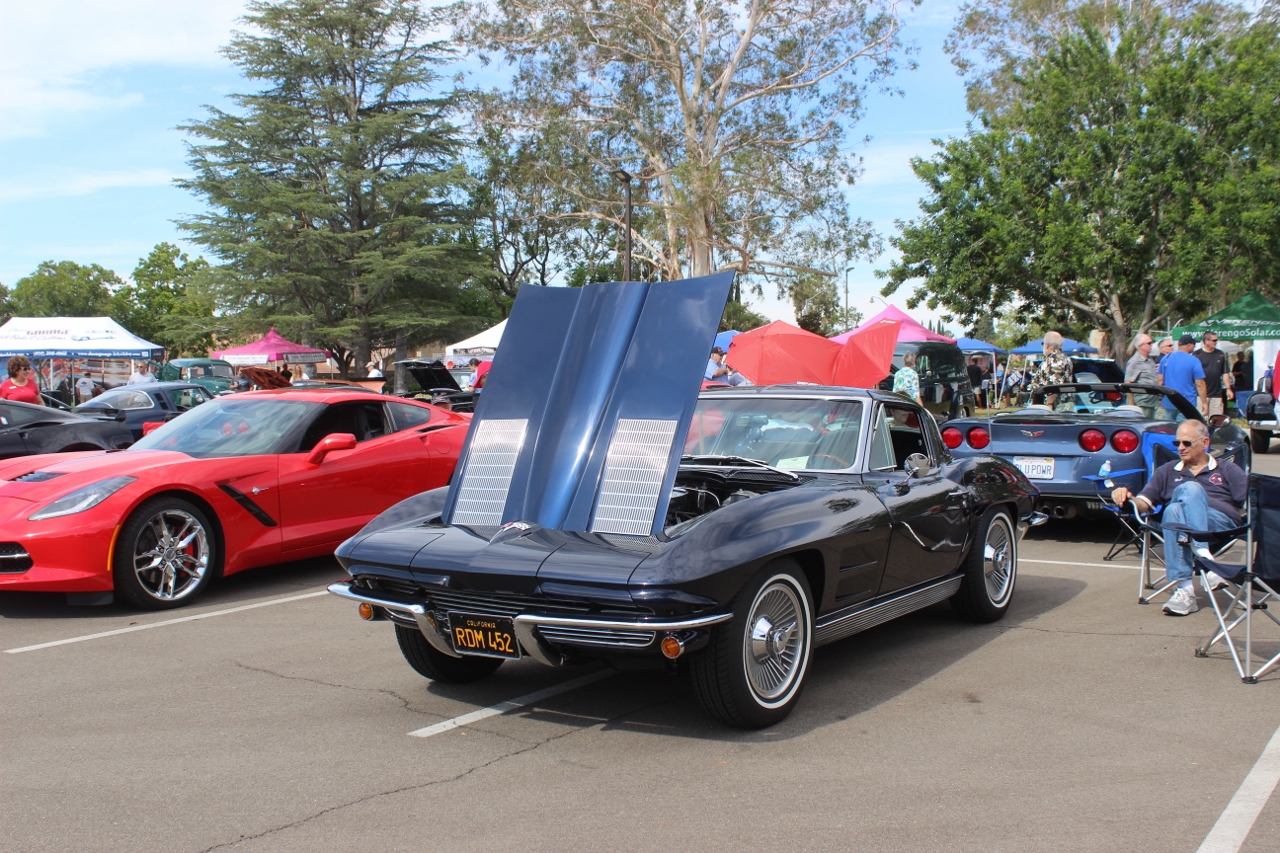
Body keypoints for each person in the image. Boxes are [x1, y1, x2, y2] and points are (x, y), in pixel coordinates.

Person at [1111, 420, 1246, 615]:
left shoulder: (1226, 469)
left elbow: (1250, 498)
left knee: (1185, 496)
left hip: (1219, 523)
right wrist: (1127, 498)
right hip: (1177, 526)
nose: (1181, 448)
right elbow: (1143, 503)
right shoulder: (1166, 471)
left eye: (1187, 443)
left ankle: (1186, 585)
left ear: (1205, 442)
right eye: (1177, 443)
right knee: (1174, 510)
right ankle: (1201, 568)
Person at [1157, 334, 1207, 418]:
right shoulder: (1194, 360)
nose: (1194, 347)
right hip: (1186, 402)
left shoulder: (1166, 358)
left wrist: (1161, 399)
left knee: (1170, 428)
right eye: (1194, 345)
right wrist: (1204, 403)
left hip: (1169, 401)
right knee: (1184, 428)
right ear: (1189, 344)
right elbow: (1200, 383)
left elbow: (1160, 380)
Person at [1027, 332, 1074, 406]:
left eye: (1043, 343)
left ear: (1047, 345)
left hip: (1053, 408)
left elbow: (1054, 385)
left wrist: (1050, 405)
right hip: (1062, 405)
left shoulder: (1055, 360)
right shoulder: (1064, 358)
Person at [1124, 334, 1162, 417]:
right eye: (1149, 343)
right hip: (1142, 403)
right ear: (1141, 346)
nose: (1151, 345)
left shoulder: (1150, 359)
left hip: (1152, 403)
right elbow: (1127, 383)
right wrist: (1131, 404)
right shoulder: (1135, 361)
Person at [1194, 332, 1231, 418]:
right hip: (1201, 394)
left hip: (1216, 393)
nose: (1216, 342)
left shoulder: (1220, 354)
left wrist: (1228, 389)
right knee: (1200, 419)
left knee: (1216, 419)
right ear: (1206, 341)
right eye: (1214, 340)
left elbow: (1225, 373)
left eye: (1216, 340)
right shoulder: (1197, 355)